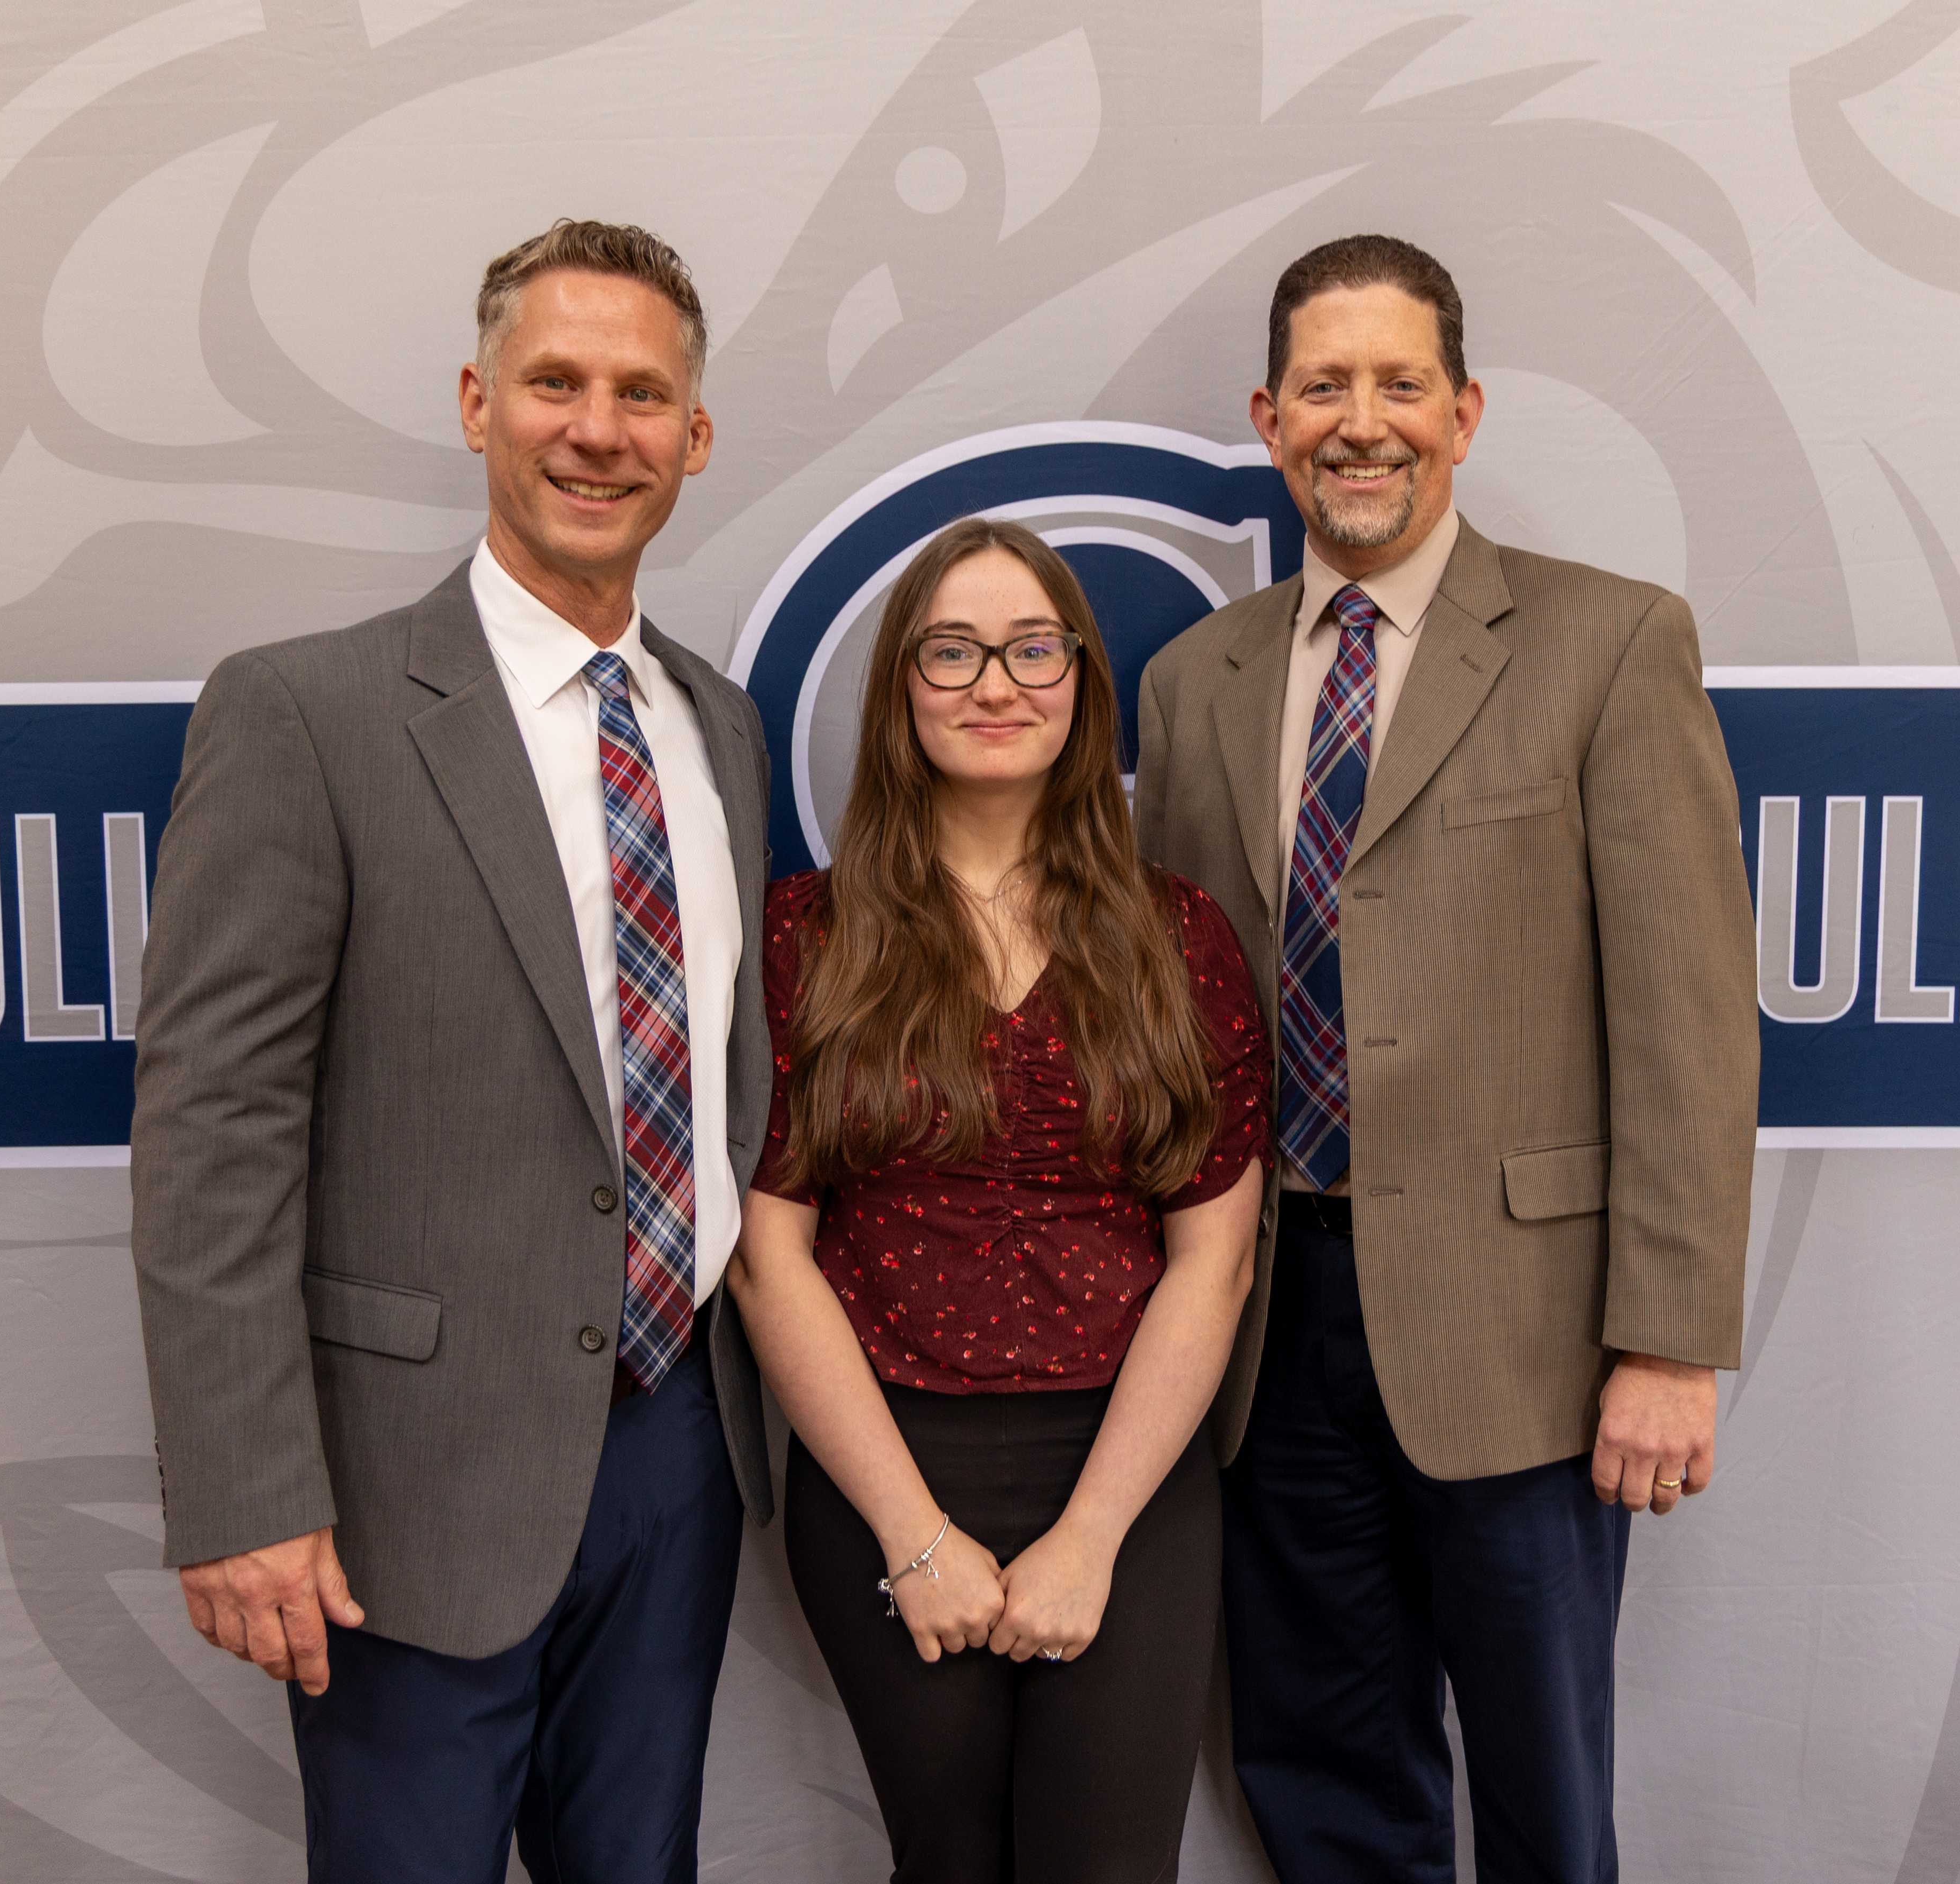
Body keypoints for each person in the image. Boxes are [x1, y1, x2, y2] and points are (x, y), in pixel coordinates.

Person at [128, 219, 773, 1882]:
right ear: (479, 402)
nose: (597, 428)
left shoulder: (720, 724)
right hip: (403, 1487)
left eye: (643, 395)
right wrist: (240, 1489)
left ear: (694, 439)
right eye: (555, 382)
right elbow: (215, 1133)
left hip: (674, 1447)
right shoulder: (306, 714)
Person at [1133, 234, 1760, 1882]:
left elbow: (1688, 1015)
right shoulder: (1194, 687)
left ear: (1463, 411)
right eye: (1324, 387)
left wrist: (1669, 1340)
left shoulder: (1607, 644)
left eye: (1399, 384)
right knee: (1322, 1766)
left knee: (1546, 1790)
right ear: (1270, 418)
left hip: (1530, 1339)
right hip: (1271, 1331)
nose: (1363, 422)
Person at [726, 516, 1269, 1884]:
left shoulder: (1179, 934)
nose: (993, 683)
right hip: (886, 1465)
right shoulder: (807, 934)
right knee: (947, 1864)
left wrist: (1091, 1538)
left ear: (1080, 679)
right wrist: (915, 1541)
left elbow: (1213, 1262)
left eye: (1033, 648)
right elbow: (767, 1259)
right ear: (902, 688)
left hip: (1128, 1476)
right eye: (952, 650)